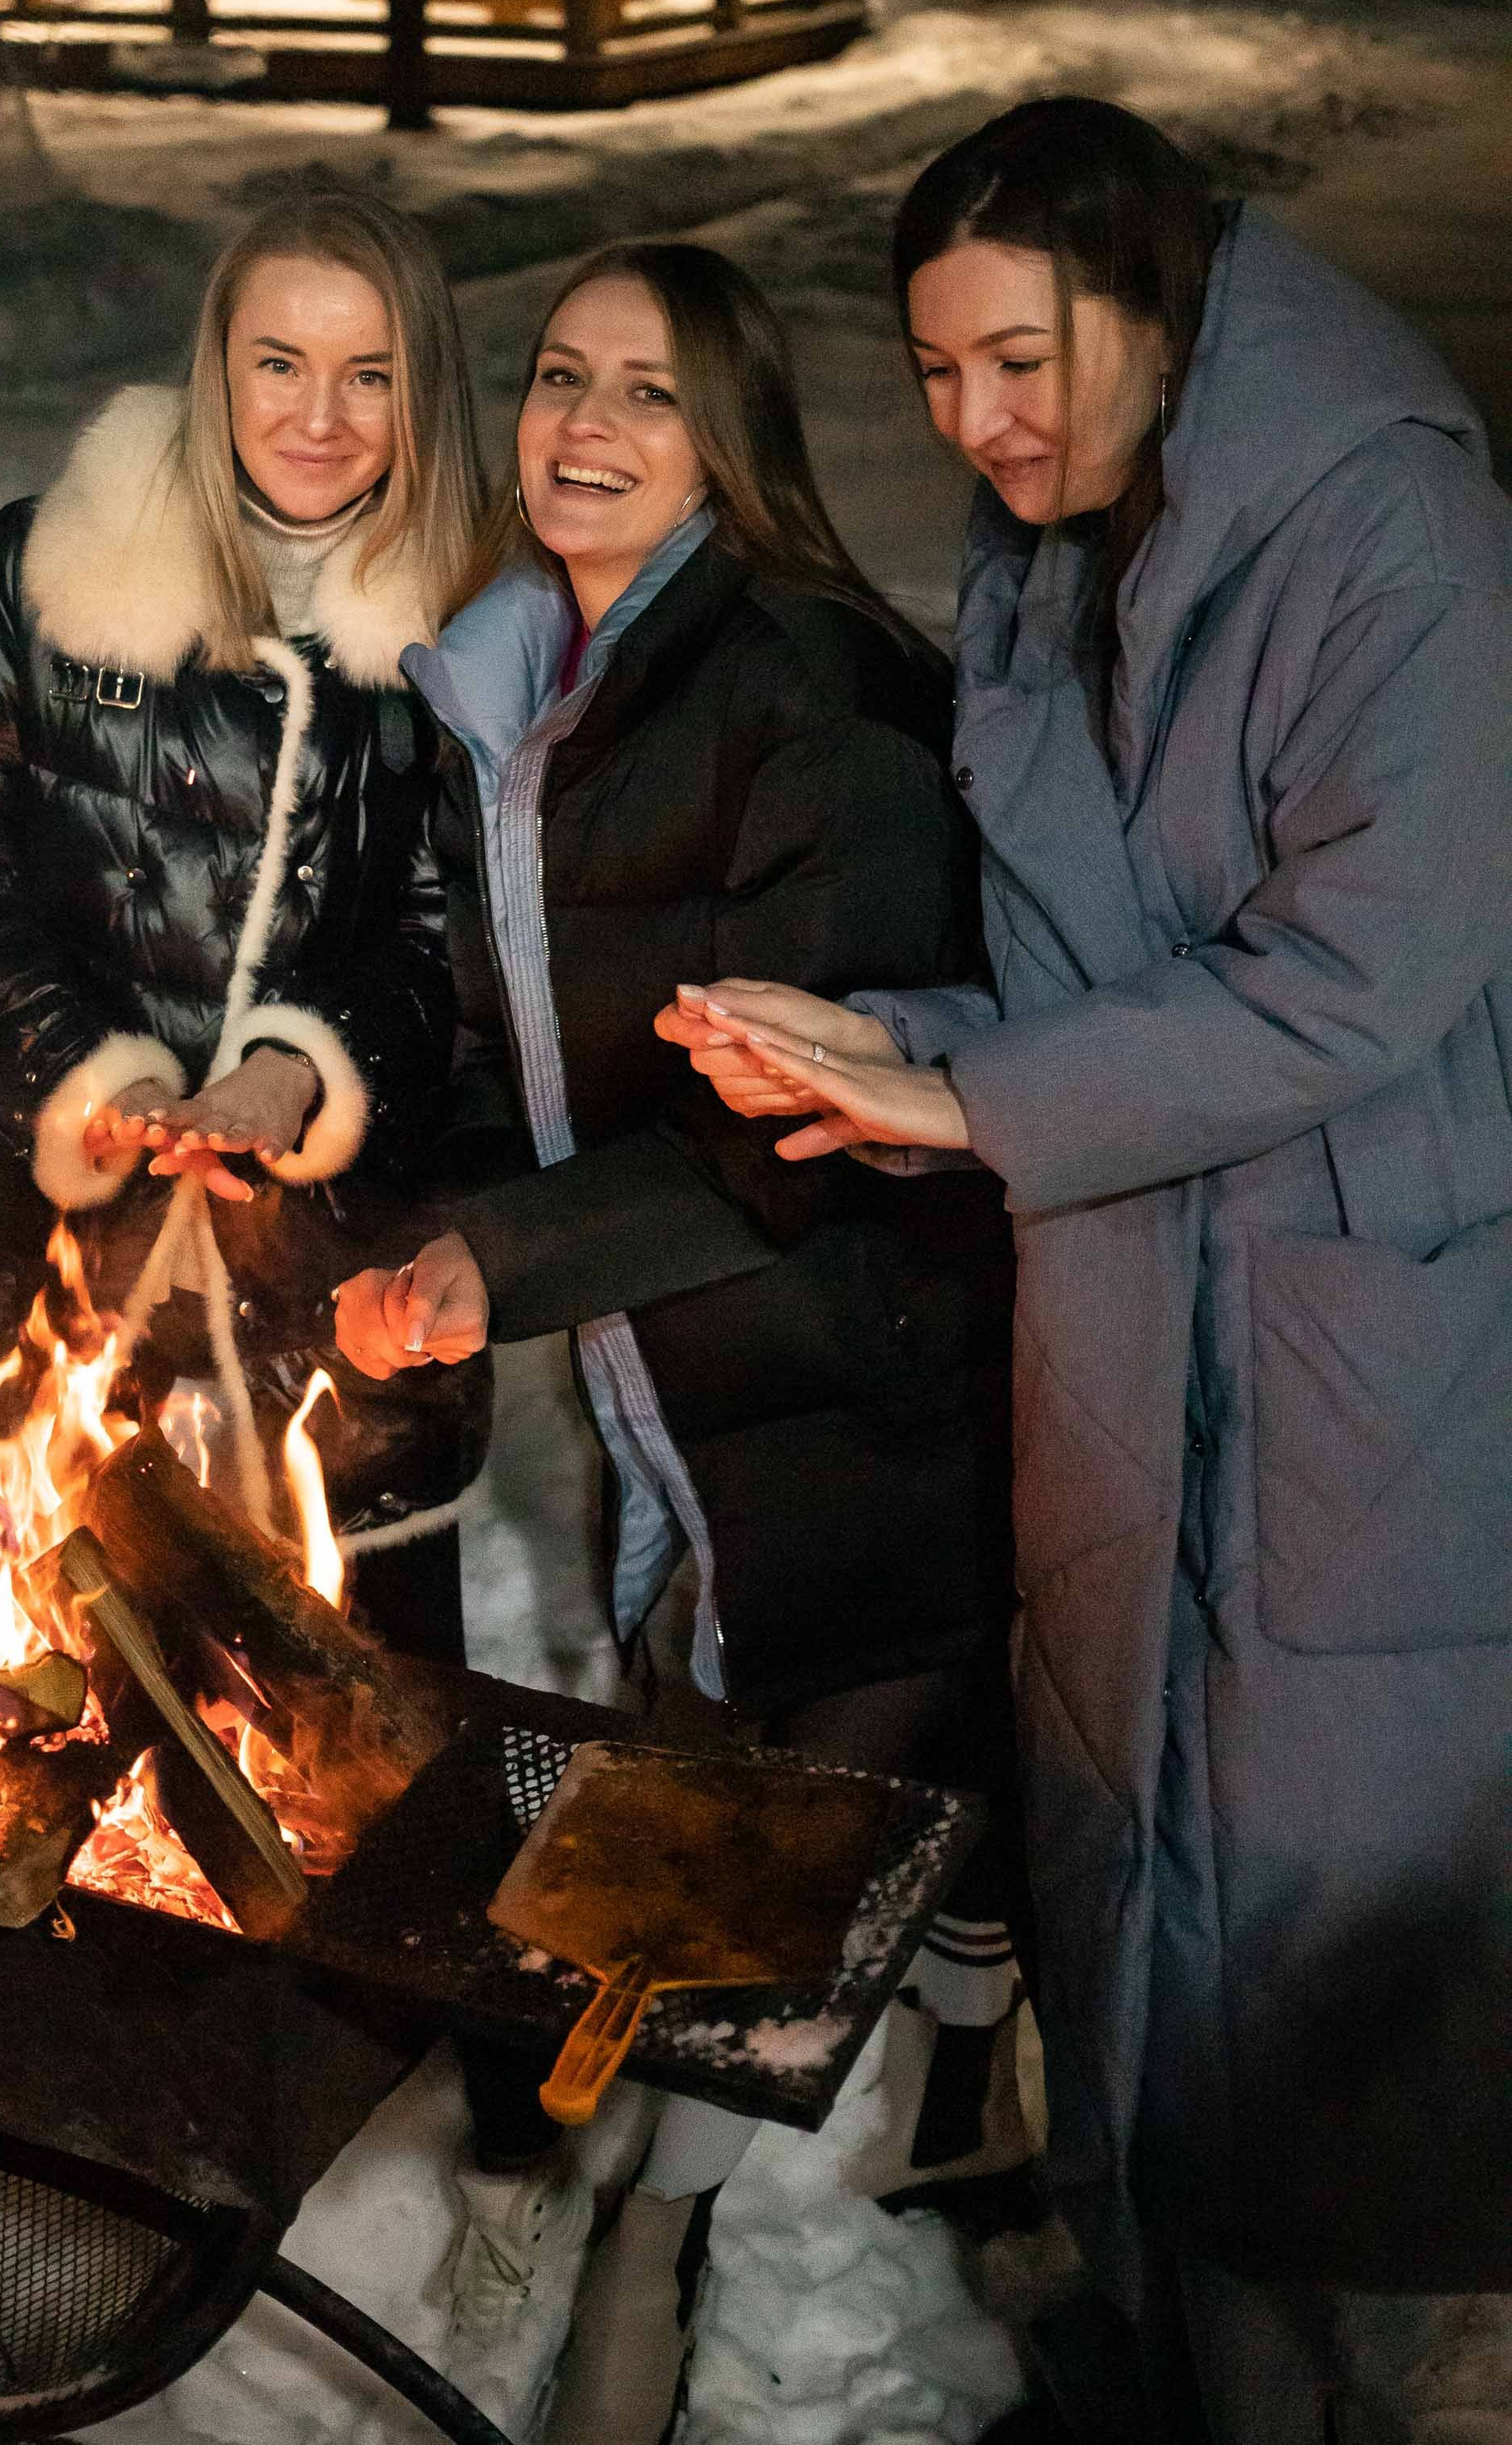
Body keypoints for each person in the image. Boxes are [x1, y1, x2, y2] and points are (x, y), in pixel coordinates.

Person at [662, 97, 1512, 2445]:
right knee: (1140, 1858)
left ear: (1156, 304)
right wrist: (903, 1046)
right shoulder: (1064, 545)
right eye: (934, 374)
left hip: (1362, 1314)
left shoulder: (1394, 534)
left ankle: (1369, 2381)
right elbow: (1090, 969)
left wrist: (988, 1104)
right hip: (1144, 1305)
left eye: (1018, 358)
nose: (973, 420)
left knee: (1335, 1912)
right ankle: (1180, 2353)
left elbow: (1364, 973)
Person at [334, 241, 1019, 2442]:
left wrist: (501, 1267)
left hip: (866, 1384)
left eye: (647, 390)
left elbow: (804, 1121)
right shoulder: (525, 703)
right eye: (557, 378)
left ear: (730, 436)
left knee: (761, 1845)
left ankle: (672, 2235)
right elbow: (503, 1062)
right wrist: (391, 1203)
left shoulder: (802, 693)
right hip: (689, 1394)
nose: (585, 425)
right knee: (742, 1795)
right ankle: (937, 2093)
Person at [0, 189, 491, 1641]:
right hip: (33, 1251)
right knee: (17, 1691)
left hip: (338, 1282)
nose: (319, 417)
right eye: (279, 362)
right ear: (217, 365)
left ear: (426, 390)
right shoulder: (54, 564)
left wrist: (301, 1073)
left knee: (349, 1743)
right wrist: (95, 1073)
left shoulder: (482, 622)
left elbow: (467, 942)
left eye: (372, 373)